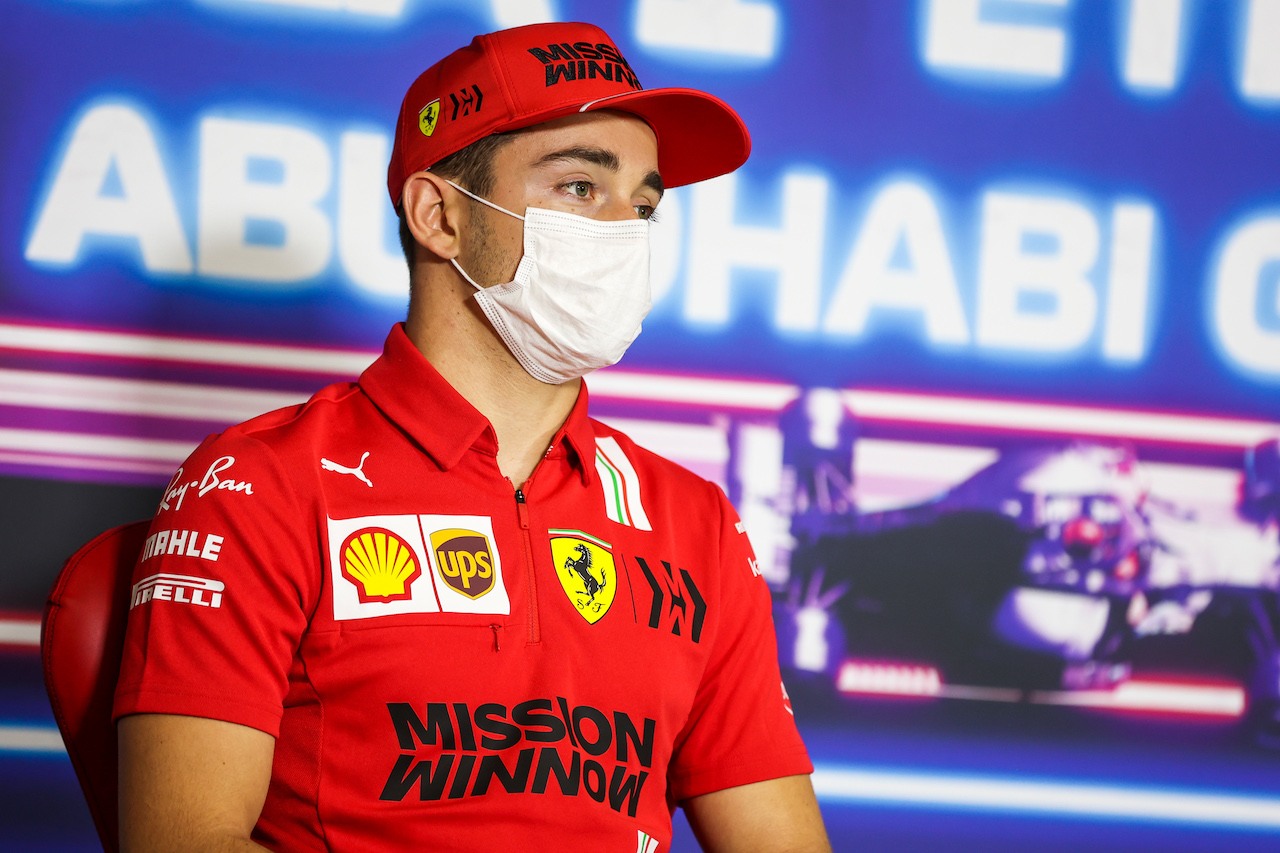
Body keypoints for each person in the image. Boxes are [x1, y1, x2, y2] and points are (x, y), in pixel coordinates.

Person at [114, 21, 830, 852]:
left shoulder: (696, 522)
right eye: (577, 188)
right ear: (440, 217)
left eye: (642, 204)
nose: (623, 231)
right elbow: (180, 840)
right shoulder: (258, 483)